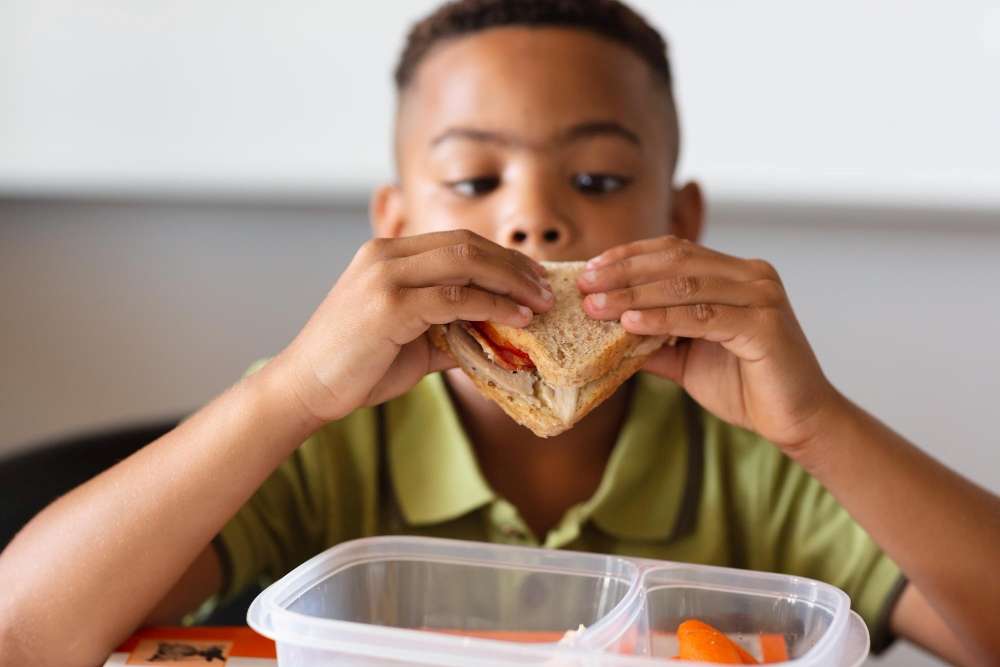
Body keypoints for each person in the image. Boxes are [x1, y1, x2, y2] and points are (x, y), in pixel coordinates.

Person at [1, 2, 997, 666]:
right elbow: (22, 633)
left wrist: (816, 423)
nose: (532, 222)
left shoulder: (753, 449)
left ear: (680, 221)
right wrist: (287, 396)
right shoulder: (326, 429)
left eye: (598, 180)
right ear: (391, 225)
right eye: (475, 180)